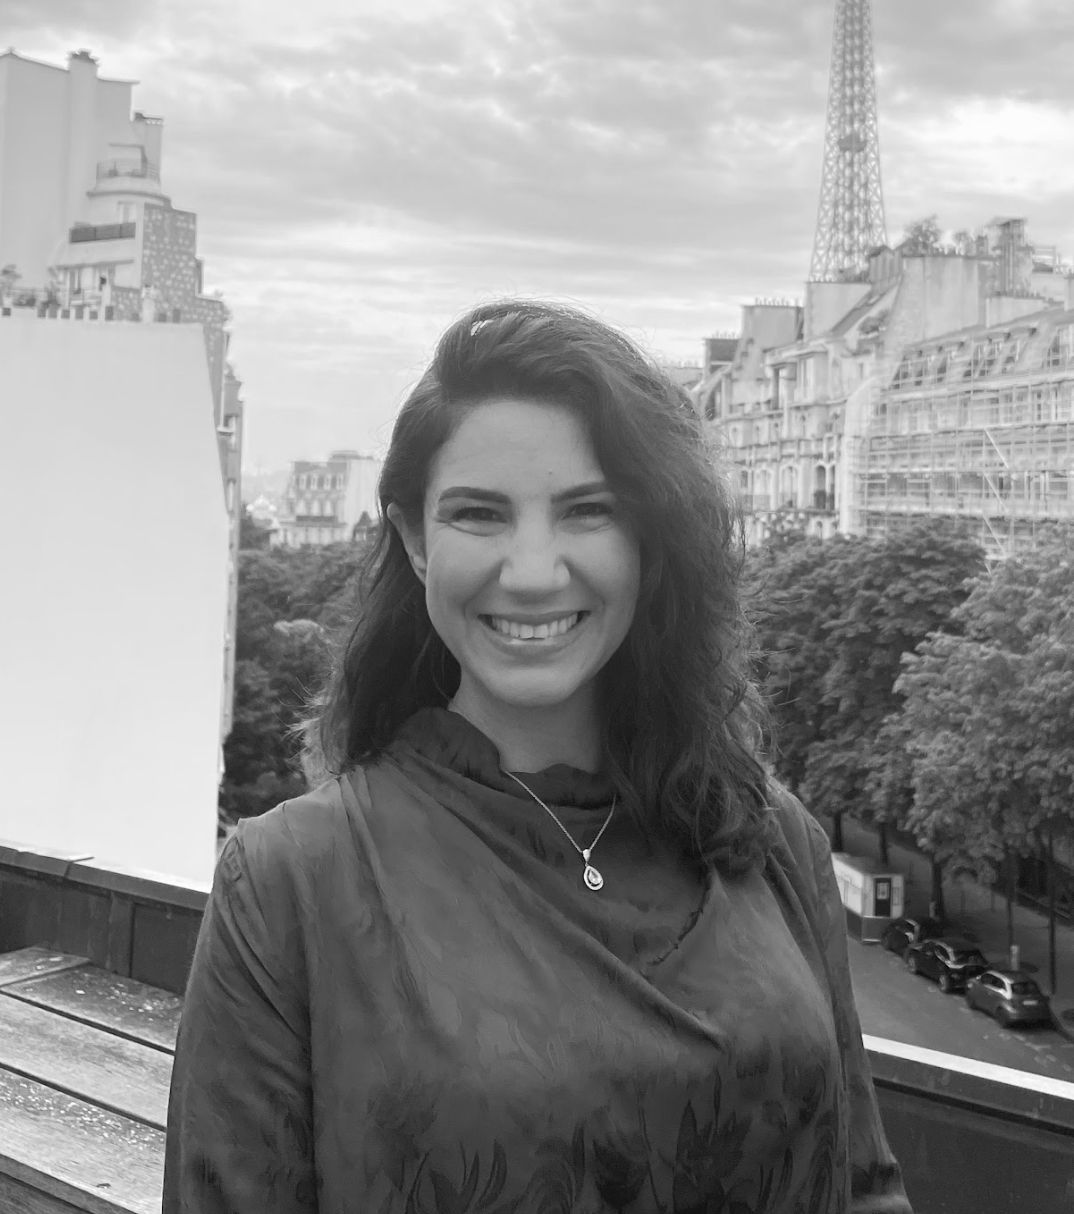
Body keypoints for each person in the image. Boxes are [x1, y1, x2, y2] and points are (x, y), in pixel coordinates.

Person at [164, 299, 912, 1213]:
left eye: (587, 511)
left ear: (650, 538)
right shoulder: (291, 883)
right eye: (479, 514)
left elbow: (861, 1182)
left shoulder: (771, 836)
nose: (531, 571)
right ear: (414, 538)